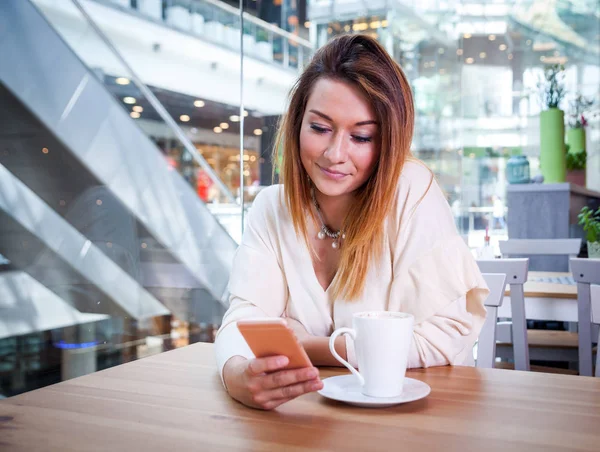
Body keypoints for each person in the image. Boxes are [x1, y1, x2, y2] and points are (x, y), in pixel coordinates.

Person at [215, 35, 489, 410]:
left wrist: (310, 346)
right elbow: (242, 321)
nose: (334, 154)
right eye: (319, 128)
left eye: (361, 136)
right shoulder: (270, 207)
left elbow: (445, 337)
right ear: (297, 125)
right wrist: (235, 376)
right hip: (315, 421)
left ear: (388, 142)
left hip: (422, 419)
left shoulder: (411, 189)